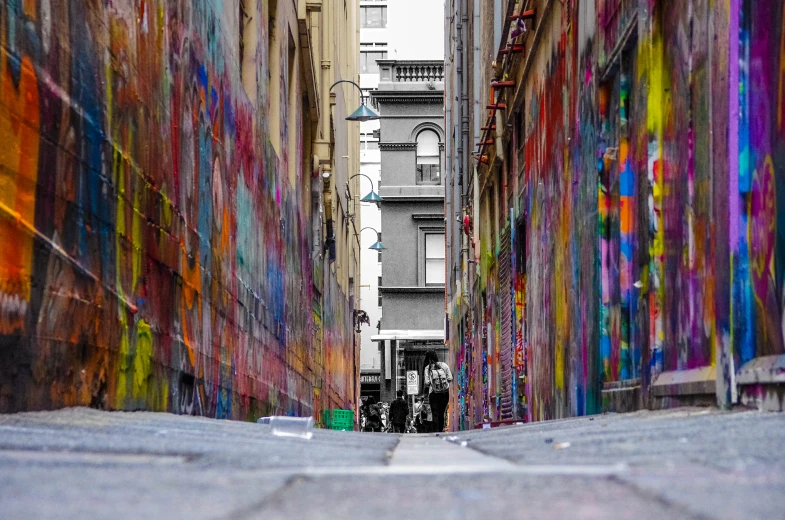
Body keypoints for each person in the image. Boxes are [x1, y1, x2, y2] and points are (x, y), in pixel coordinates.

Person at [422, 351, 453, 432]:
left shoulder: (428, 368)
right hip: (445, 393)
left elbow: (427, 382)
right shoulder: (444, 365)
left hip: (433, 394)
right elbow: (450, 378)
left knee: (435, 413)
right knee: (442, 413)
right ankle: (441, 430)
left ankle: (436, 431)